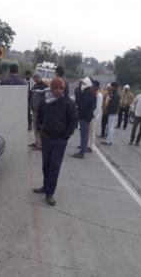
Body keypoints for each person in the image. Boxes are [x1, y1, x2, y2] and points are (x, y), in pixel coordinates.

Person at [34, 77, 78, 206]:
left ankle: (50, 193)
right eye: (55, 88)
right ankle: (45, 186)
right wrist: (40, 129)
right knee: (45, 165)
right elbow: (39, 116)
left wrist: (66, 135)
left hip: (60, 140)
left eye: (61, 88)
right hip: (46, 138)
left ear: (64, 89)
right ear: (51, 88)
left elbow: (73, 121)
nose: (58, 90)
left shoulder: (68, 103)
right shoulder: (45, 101)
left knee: (54, 166)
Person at [72, 77, 97, 158]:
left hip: (84, 116)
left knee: (83, 135)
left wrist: (80, 112)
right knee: (85, 134)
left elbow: (83, 105)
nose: (82, 85)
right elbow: (93, 106)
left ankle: (81, 153)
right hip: (88, 116)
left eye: (83, 83)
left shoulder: (86, 92)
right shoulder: (91, 92)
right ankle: (83, 150)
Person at [28, 72, 49, 150]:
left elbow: (47, 99)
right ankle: (37, 142)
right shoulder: (35, 86)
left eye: (35, 78)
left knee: (39, 127)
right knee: (35, 127)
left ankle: (40, 145)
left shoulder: (45, 87)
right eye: (33, 78)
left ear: (38, 77)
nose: (34, 79)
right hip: (34, 110)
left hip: (40, 111)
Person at [87, 80, 103, 152]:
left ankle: (91, 147)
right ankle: (86, 145)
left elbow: (98, 108)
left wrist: (93, 115)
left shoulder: (99, 96)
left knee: (92, 131)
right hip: (89, 115)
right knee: (88, 131)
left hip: (93, 116)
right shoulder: (92, 93)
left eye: (93, 86)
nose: (92, 87)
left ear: (96, 86)